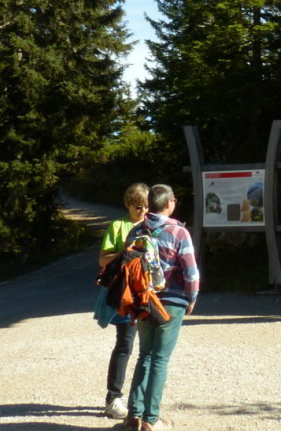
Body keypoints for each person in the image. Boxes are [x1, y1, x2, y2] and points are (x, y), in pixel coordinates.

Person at [124, 184, 199, 431]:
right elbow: (190, 271)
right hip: (171, 303)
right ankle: (150, 420)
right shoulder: (179, 233)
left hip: (144, 301)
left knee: (144, 355)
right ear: (170, 203)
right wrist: (191, 298)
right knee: (160, 359)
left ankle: (133, 416)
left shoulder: (135, 232)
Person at [94, 183, 149, 420]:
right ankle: (113, 398)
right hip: (125, 294)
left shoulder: (152, 225)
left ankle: (144, 400)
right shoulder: (118, 226)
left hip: (149, 294)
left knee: (150, 349)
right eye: (138, 206)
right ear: (128, 205)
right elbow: (102, 260)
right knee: (125, 344)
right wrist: (124, 253)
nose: (143, 211)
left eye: (147, 206)